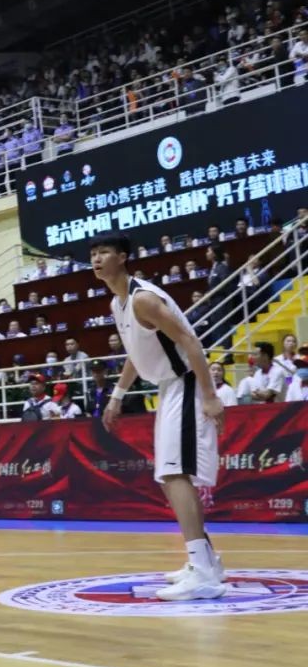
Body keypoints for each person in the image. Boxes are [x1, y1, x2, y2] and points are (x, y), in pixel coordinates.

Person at [90, 232, 227, 602]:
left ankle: (202, 572)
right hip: (167, 389)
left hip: (186, 383)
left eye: (103, 252)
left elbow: (189, 340)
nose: (96, 259)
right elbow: (137, 353)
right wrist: (117, 396)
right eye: (93, 254)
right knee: (167, 477)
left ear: (122, 257)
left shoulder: (143, 299)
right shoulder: (118, 303)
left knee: (173, 473)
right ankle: (207, 563)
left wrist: (210, 395)